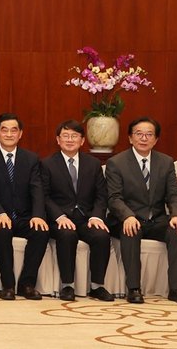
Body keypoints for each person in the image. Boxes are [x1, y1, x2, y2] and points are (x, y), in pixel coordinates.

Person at [105, 117, 177, 305]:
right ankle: (133, 288)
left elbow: (174, 193)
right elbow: (114, 197)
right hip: (129, 218)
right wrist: (127, 216)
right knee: (130, 230)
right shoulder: (116, 163)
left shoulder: (165, 162)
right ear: (130, 138)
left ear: (156, 139)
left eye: (149, 134)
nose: (144, 138)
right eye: (139, 134)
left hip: (156, 219)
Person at [38, 120, 114, 301]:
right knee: (67, 235)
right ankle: (67, 285)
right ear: (58, 140)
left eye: (74, 136)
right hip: (60, 219)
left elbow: (101, 195)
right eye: (65, 136)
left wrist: (97, 217)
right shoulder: (47, 164)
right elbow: (44, 196)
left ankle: (97, 286)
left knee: (101, 236)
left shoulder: (93, 164)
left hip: (86, 218)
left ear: (82, 140)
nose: (70, 140)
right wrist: (59, 216)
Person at [0, 113, 49, 301]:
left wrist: (38, 215)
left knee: (41, 231)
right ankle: (8, 285)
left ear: (20, 134)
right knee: (2, 231)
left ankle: (27, 284)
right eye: (4, 130)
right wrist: (0, 213)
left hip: (24, 216)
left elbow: (37, 189)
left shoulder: (31, 158)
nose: (9, 134)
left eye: (13, 130)